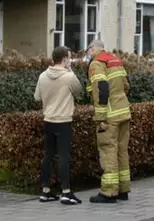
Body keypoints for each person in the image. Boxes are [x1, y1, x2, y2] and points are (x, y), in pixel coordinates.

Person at [34, 46, 83, 205]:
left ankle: (46, 190)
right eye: (69, 58)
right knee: (63, 157)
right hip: (63, 120)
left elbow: (37, 97)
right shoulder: (68, 77)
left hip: (48, 120)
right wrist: (71, 71)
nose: (70, 60)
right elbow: (78, 91)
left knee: (48, 155)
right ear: (64, 59)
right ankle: (66, 192)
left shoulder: (42, 76)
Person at [85, 39, 132, 204]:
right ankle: (123, 189)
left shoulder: (96, 64)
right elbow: (126, 85)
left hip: (110, 115)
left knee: (108, 150)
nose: (87, 54)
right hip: (124, 111)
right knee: (121, 151)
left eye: (88, 50)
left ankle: (109, 192)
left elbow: (101, 90)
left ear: (93, 49)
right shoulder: (115, 61)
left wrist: (100, 118)